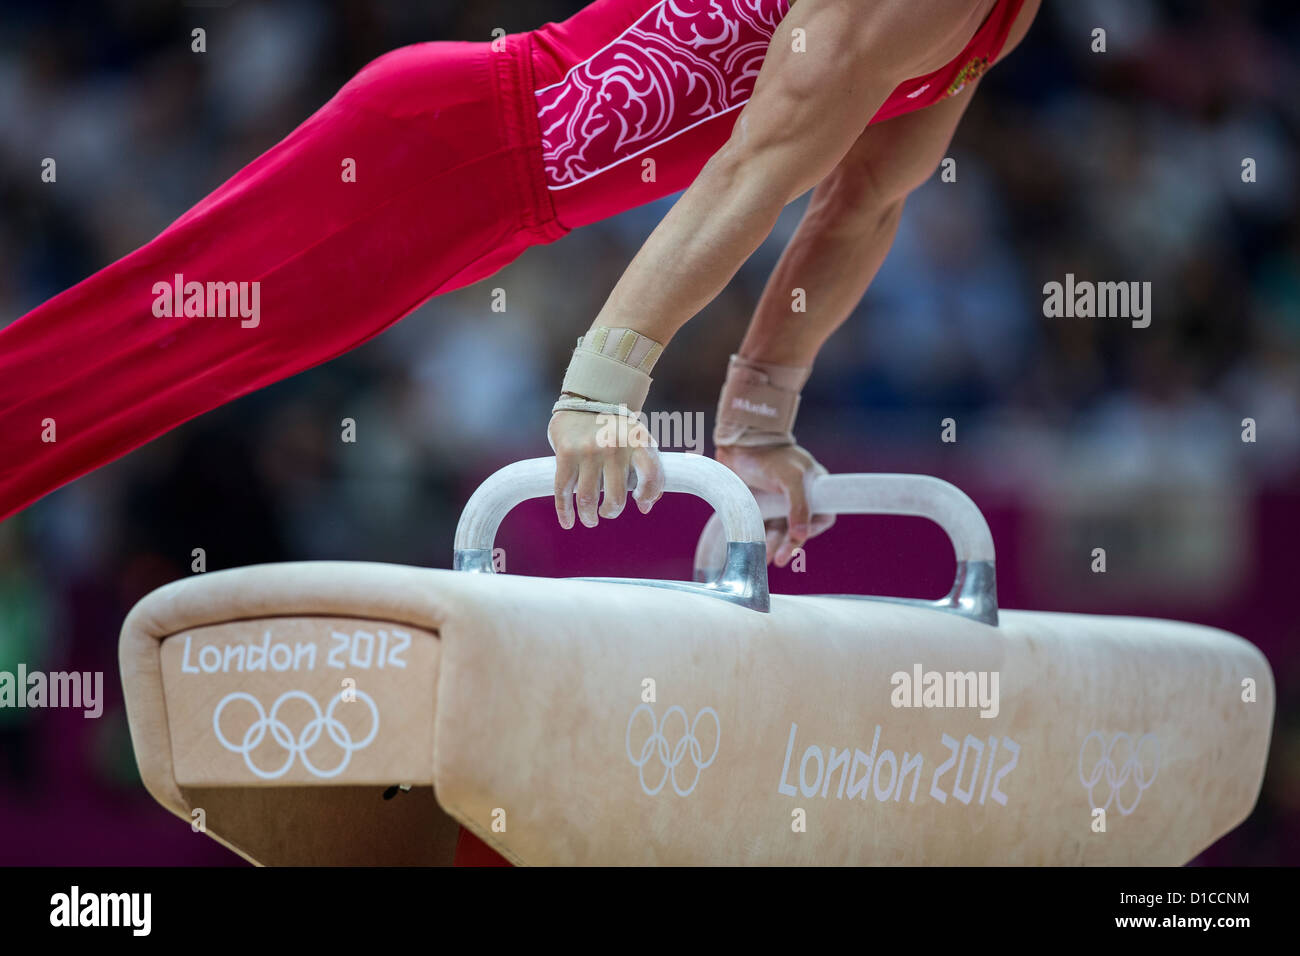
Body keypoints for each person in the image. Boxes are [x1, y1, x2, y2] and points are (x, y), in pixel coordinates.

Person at [0, 0, 1039, 567]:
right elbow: (758, 166)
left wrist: (760, 409)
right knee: (137, 350)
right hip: (437, 159)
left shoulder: (1005, 13)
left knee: (147, 367)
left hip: (487, 209)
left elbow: (862, 202)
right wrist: (603, 383)